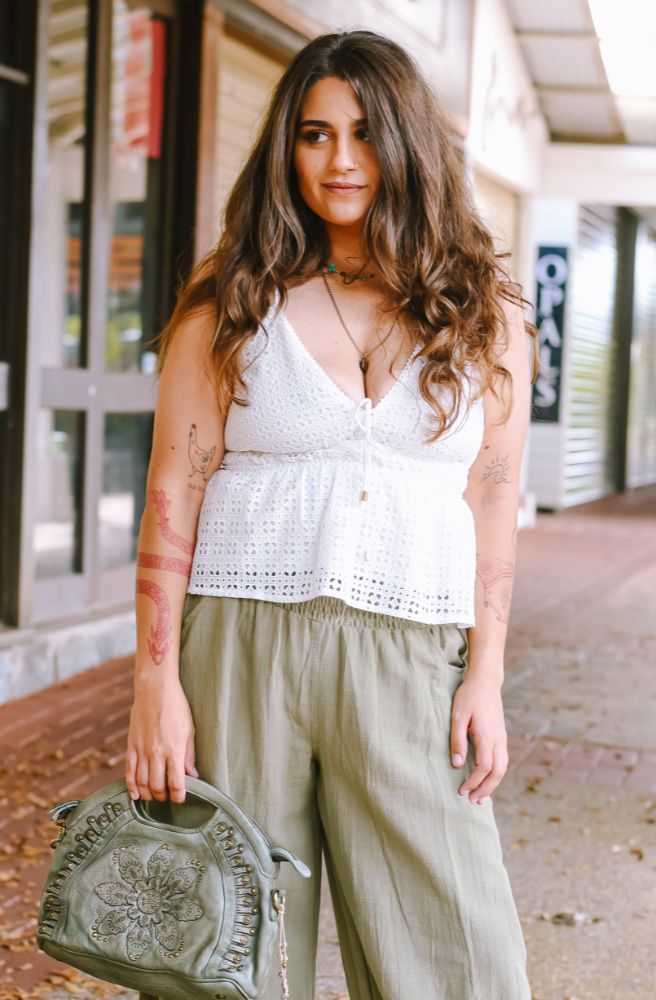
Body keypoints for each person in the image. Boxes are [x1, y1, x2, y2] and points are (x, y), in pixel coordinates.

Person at [126, 28, 536, 1000]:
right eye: (313, 134)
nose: (339, 160)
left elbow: (491, 495)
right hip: (239, 645)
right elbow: (171, 494)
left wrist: (485, 673)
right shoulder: (227, 303)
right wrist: (154, 682)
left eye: (363, 132)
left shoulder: (485, 314)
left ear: (407, 143)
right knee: (223, 953)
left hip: (410, 654)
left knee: (457, 953)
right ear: (285, 147)